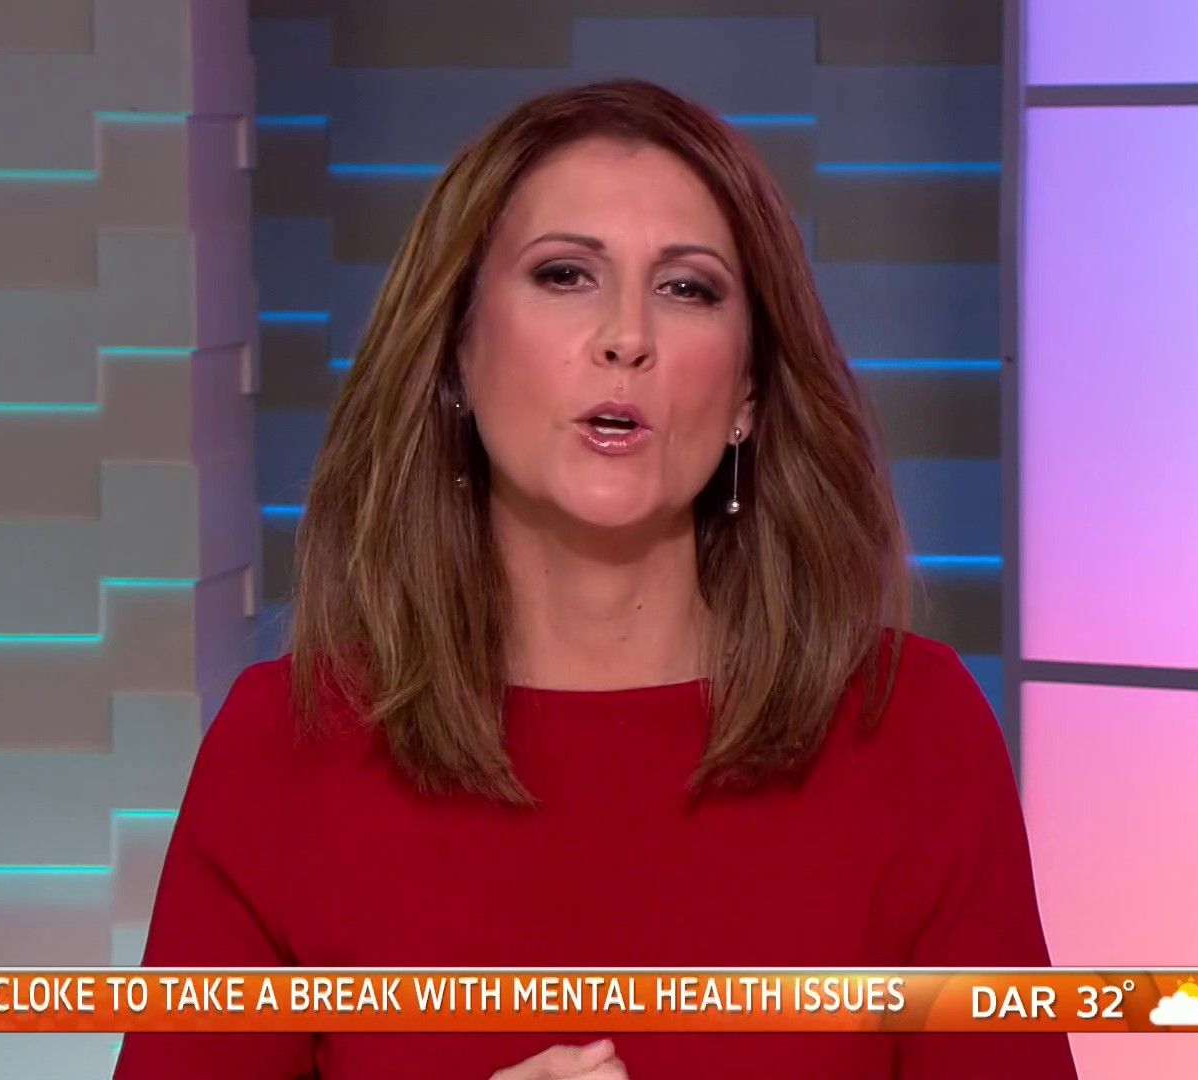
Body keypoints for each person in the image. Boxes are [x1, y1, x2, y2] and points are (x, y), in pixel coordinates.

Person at [114, 78, 1075, 1079]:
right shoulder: (284, 747)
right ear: (456, 353)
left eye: (688, 289)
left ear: (748, 392)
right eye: (566, 274)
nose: (628, 337)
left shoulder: (911, 734)